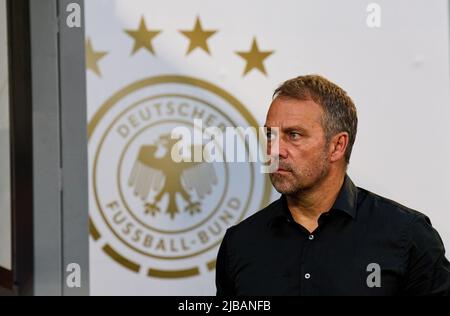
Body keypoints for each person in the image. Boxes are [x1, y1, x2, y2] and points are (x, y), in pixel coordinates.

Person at [216, 74, 450, 296]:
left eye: (294, 135)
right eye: (270, 134)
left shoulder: (408, 236)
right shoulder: (240, 243)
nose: (274, 150)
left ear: (337, 146)